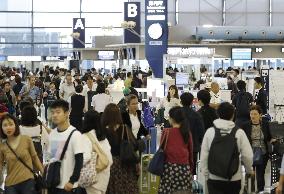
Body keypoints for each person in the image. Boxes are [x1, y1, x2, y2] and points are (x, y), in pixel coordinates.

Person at [200, 102, 254, 194]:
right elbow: (247, 156)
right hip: (234, 178)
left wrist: (206, 174)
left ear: (218, 113)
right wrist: (249, 171)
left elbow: (204, 156)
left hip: (214, 178)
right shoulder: (239, 132)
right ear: (233, 115)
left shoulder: (210, 132)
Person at [47, 99, 87, 194]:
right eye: (53, 112)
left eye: (58, 112)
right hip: (54, 184)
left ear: (67, 113)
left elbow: (79, 161)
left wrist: (72, 181)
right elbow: (53, 159)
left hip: (68, 186)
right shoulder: (52, 134)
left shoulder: (75, 134)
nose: (55, 115)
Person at [0, 114, 43, 194]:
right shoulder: (2, 146)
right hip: (10, 183)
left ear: (16, 125)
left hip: (28, 180)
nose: (8, 127)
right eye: (5, 125)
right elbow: (0, 165)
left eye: (11, 124)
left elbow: (35, 158)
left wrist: (43, 173)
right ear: (2, 128)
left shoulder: (26, 139)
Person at [102, 103, 139, 194]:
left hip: (107, 164)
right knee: (125, 187)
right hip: (124, 163)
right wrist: (137, 163)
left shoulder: (102, 131)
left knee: (110, 188)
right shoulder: (124, 128)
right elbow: (135, 146)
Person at [158, 106, 193, 194]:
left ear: (171, 118)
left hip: (169, 169)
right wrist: (190, 170)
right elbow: (190, 153)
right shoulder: (187, 132)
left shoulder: (166, 132)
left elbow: (162, 150)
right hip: (184, 168)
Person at [242, 105, 274, 192]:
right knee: (250, 175)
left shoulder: (265, 125)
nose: (253, 116)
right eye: (251, 114)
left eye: (255, 114)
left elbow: (269, 137)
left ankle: (260, 191)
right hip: (249, 154)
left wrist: (272, 140)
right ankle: (249, 190)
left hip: (262, 153)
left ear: (260, 115)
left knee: (260, 175)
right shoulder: (245, 126)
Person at [81, 110, 113, 194]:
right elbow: (110, 160)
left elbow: (86, 157)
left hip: (92, 178)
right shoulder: (103, 137)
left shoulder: (86, 137)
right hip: (104, 178)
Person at [180, 92, 205, 175]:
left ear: (181, 101)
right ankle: (191, 185)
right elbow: (201, 132)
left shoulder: (177, 114)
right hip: (193, 147)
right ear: (192, 102)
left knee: (180, 168)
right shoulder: (196, 115)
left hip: (179, 146)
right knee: (192, 169)